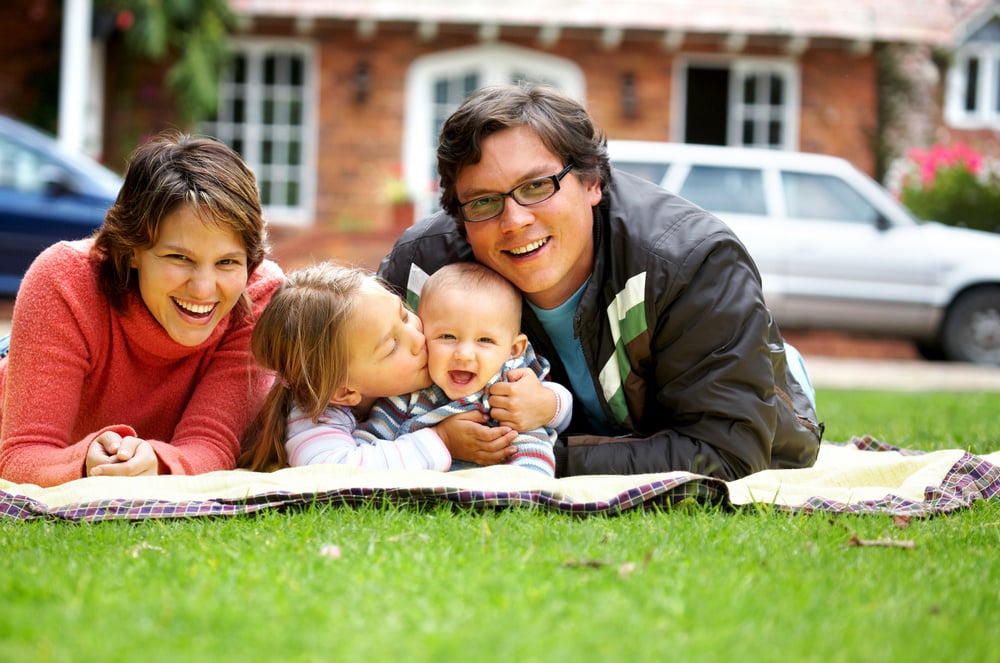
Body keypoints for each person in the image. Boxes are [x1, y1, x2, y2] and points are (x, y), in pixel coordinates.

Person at [378, 83, 824, 480]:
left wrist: (530, 457)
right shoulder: (426, 266)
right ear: (458, 213)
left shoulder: (693, 262)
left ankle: (787, 364)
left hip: (755, 396)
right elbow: (337, 387)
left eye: (536, 186)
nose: (514, 220)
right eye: (483, 201)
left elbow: (727, 451)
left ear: (592, 181)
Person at [0, 132, 284, 487]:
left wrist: (159, 464)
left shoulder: (258, 292)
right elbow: (22, 454)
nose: (203, 288)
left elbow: (212, 444)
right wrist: (88, 462)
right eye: (179, 258)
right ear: (132, 249)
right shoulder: (63, 279)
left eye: (227, 262)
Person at [240, 261, 564, 473]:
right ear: (345, 391)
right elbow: (332, 472)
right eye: (392, 345)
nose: (418, 337)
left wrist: (546, 404)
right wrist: (442, 441)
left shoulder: (444, 367)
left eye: (404, 314)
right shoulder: (316, 408)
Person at [356, 262, 571, 476]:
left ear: (513, 349)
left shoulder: (512, 380)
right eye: (447, 337)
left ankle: (526, 490)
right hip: (437, 492)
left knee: (528, 440)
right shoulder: (411, 394)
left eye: (485, 340)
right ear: (424, 336)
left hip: (513, 472)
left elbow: (558, 405)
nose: (464, 354)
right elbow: (366, 446)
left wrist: (547, 403)